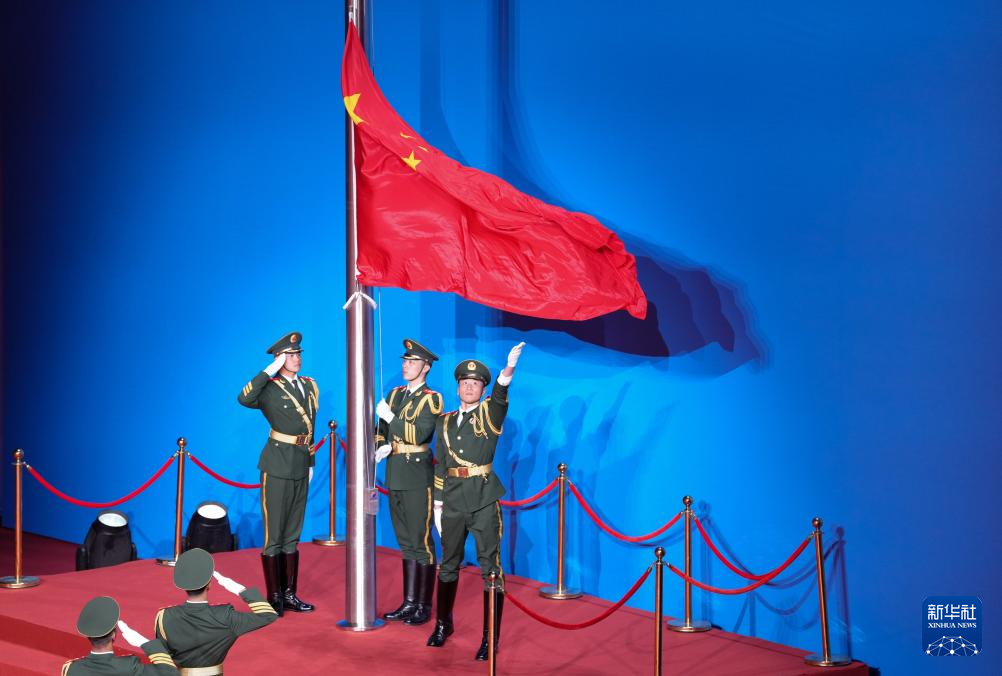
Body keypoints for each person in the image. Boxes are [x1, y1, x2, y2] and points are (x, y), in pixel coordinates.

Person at [427, 342, 525, 660]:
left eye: (475, 383)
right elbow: (441, 465)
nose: (469, 387)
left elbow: (500, 396)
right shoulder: (443, 421)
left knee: (490, 569)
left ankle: (489, 637)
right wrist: (438, 504)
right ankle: (443, 625)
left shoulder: (489, 414)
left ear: (482, 389)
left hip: (483, 499)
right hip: (452, 500)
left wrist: (507, 370)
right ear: (457, 387)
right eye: (464, 382)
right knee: (448, 565)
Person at [237, 331, 318, 614]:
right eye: (290, 355)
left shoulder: (309, 386)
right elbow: (244, 398)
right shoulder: (269, 388)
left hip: (300, 462)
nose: (296, 358)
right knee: (274, 534)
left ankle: (289, 594)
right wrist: (269, 369)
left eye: (298, 354)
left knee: (293, 532)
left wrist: (310, 461)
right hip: (277, 465)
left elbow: (310, 429)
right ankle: (274, 597)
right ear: (279, 358)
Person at [374, 338, 443, 625]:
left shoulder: (432, 399)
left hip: (417, 475)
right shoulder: (395, 395)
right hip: (396, 472)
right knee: (405, 541)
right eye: (405, 361)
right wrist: (381, 444)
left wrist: (391, 418)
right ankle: (409, 602)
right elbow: (380, 429)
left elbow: (419, 434)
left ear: (426, 367)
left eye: (412, 362)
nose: (406, 365)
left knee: (421, 541)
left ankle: (424, 605)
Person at [154, 548, 277, 674]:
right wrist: (238, 589)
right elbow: (268, 615)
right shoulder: (225, 616)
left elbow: (162, 659)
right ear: (209, 585)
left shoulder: (165, 616)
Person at [62, 596, 177, 674]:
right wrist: (143, 642)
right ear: (113, 635)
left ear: (88, 636)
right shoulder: (129, 666)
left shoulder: (71, 669)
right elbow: (170, 672)